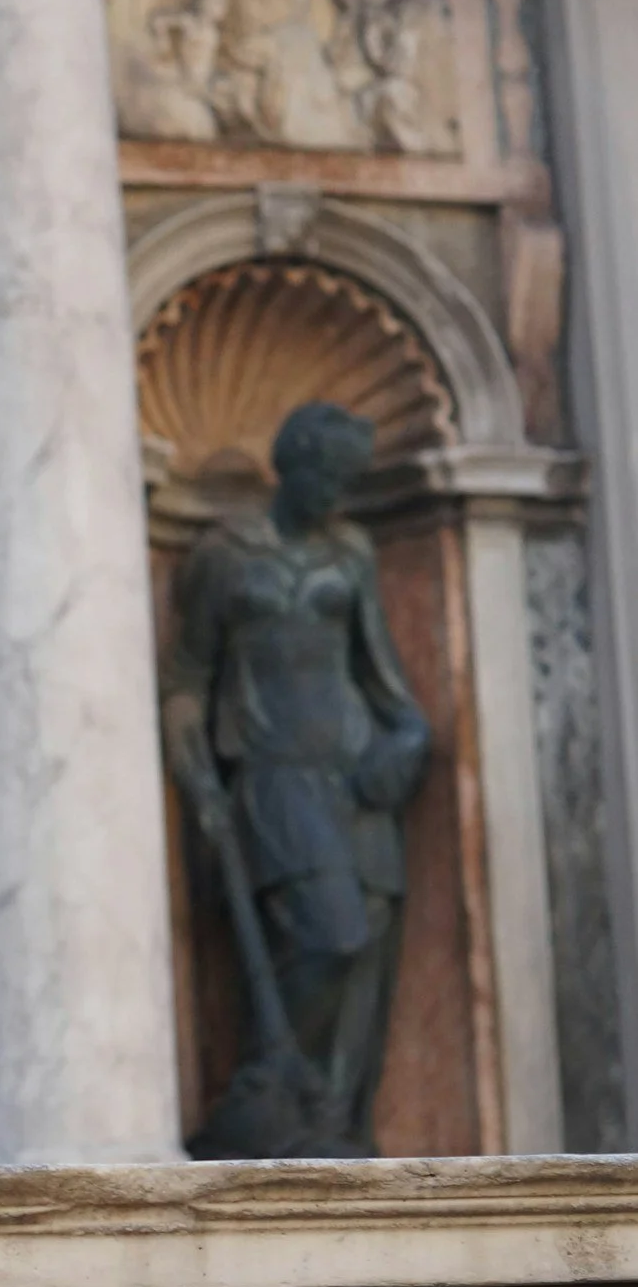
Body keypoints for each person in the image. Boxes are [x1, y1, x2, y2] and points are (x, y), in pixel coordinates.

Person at [161, 400, 427, 1157]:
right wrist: (194, 768)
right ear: (295, 467)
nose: (339, 496)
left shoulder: (350, 555)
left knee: (363, 955)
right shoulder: (225, 555)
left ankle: (326, 1119)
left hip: (355, 777)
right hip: (272, 778)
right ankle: (268, 1087)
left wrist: (408, 738)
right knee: (330, 937)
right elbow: (188, 673)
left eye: (350, 482)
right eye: (331, 478)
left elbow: (381, 673)